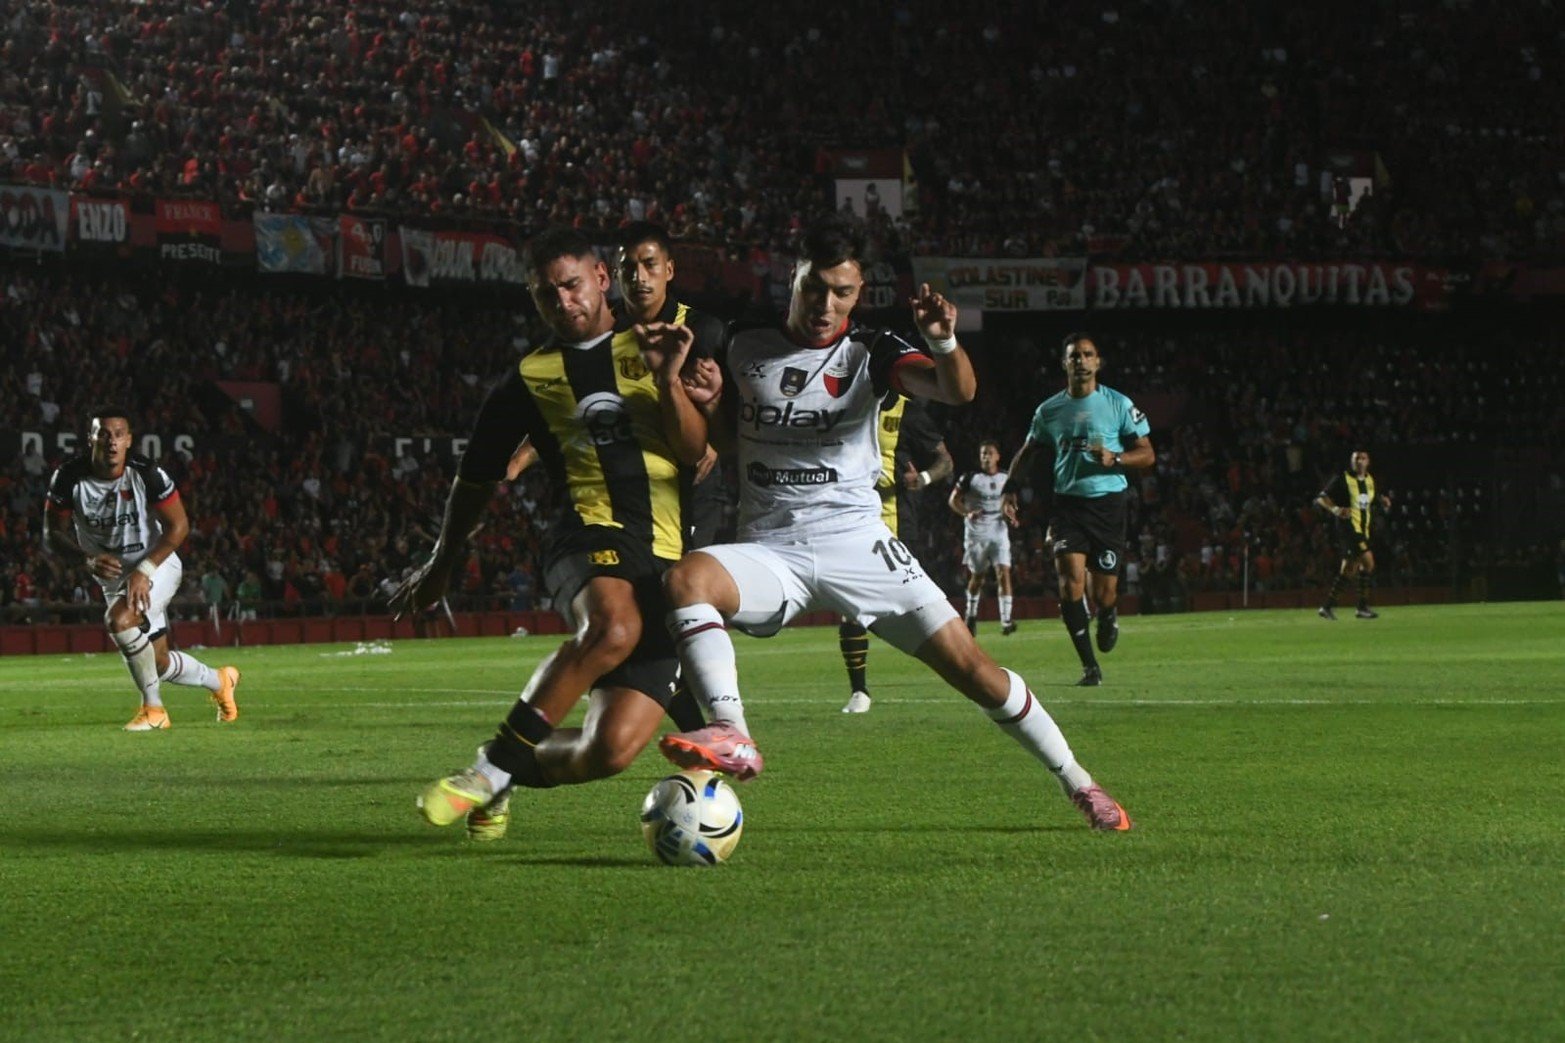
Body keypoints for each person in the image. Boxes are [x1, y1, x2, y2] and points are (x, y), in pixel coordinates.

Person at [657, 217, 1131, 830]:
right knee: (686, 580)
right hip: (771, 548)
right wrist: (714, 401)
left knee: (975, 671)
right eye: (815, 287)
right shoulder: (743, 343)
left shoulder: (871, 351)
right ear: (792, 278)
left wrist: (942, 342)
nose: (827, 305)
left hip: (858, 542)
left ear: (859, 294)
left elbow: (956, 391)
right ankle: (733, 733)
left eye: (842, 292)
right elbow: (727, 442)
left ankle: (1081, 784)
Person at [395, 226, 710, 843]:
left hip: (668, 557)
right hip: (585, 535)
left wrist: (671, 379)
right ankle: (486, 772)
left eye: (571, 285)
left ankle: (508, 769)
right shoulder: (528, 379)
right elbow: (475, 481)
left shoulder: (658, 346)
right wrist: (442, 564)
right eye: (546, 295)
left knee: (610, 750)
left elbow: (696, 450)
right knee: (612, 627)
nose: (563, 302)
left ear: (601, 278)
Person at [42, 408, 240, 730]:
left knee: (119, 621)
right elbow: (53, 535)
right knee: (157, 663)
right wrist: (87, 559)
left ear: (129, 440)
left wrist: (145, 570)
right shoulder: (68, 478)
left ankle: (154, 710)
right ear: (90, 438)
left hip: (156, 564)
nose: (112, 441)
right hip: (112, 576)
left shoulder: (146, 473)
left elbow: (179, 526)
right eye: (104, 434)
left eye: (119, 434)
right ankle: (220, 681)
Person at [1000, 334, 1155, 686]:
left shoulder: (1118, 404)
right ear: (1064, 364)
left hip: (1109, 506)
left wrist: (1115, 458)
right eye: (1074, 356)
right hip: (1068, 505)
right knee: (1069, 583)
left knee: (1103, 593)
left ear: (1098, 362)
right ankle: (1089, 667)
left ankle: (1109, 612)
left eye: (1087, 355)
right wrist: (1009, 487)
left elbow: (1147, 453)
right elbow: (1029, 449)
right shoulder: (1050, 410)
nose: (1081, 361)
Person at [839, 392, 951, 714]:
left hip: (897, 522)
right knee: (850, 605)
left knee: (919, 603)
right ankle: (859, 690)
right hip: (851, 520)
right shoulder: (847, 404)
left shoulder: (908, 412)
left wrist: (924, 478)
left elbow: (945, 460)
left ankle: (956, 662)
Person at [950, 439, 1018, 636]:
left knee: (1003, 572)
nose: (986, 457)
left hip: (999, 528)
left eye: (989, 453)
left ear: (998, 456)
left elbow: (1012, 503)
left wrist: (1011, 514)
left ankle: (1006, 621)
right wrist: (967, 513)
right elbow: (953, 500)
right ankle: (970, 615)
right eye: (983, 454)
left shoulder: (1007, 477)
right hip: (977, 531)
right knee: (978, 577)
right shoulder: (970, 478)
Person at [1315, 449, 1392, 619]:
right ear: (1351, 461)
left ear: (1368, 461)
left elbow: (1372, 499)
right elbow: (1321, 498)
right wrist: (1335, 509)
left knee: (1348, 570)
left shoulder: (1370, 480)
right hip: (1349, 529)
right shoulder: (1343, 479)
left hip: (1363, 529)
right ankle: (1362, 607)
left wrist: (1382, 501)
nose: (1359, 461)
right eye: (1356, 458)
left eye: (1362, 458)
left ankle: (1327, 607)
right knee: (1368, 562)